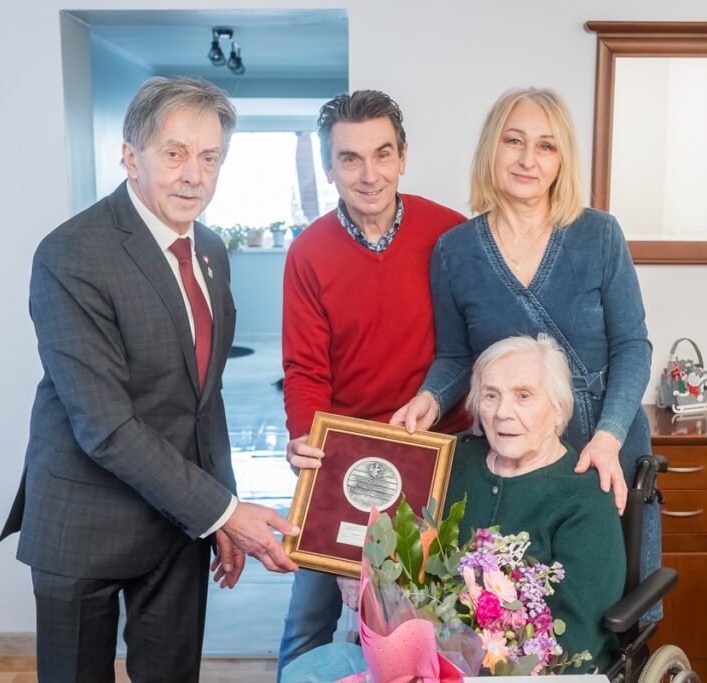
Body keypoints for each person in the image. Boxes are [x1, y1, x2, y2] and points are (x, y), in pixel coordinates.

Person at [0, 76, 299, 683]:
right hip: (85, 518)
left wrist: (220, 512)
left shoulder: (211, 248)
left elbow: (204, 398)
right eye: (174, 152)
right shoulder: (71, 255)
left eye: (210, 157)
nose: (194, 174)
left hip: (175, 521)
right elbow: (104, 426)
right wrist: (223, 511)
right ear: (130, 156)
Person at [391, 87, 659, 597]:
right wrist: (429, 397)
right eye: (514, 141)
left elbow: (632, 346)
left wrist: (608, 436)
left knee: (602, 599)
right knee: (509, 594)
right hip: (514, 447)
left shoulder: (599, 235)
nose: (527, 160)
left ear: (562, 160)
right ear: (492, 147)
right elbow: (456, 356)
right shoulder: (455, 250)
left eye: (546, 146)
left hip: (604, 438)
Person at [280, 335, 626, 681]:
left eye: (524, 395)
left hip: (524, 672)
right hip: (422, 658)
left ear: (558, 408)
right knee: (307, 671)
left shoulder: (584, 496)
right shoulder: (450, 457)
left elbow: (574, 639)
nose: (503, 412)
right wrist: (317, 458)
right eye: (491, 395)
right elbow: (375, 501)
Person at [277, 89, 471, 676]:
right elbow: (306, 371)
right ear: (328, 166)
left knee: (435, 619)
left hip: (439, 454)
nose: (369, 175)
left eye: (382, 154)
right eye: (350, 159)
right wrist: (309, 449)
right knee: (312, 619)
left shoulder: (451, 234)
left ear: (403, 156)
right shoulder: (308, 253)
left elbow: (471, 347)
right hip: (345, 462)